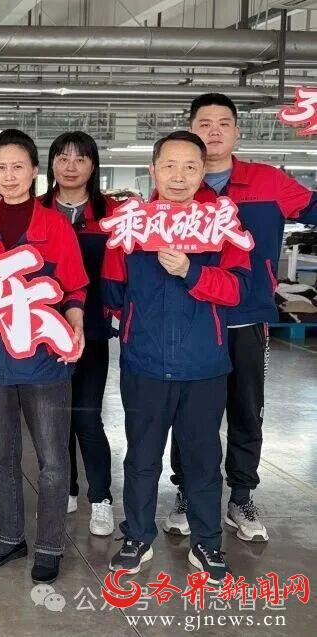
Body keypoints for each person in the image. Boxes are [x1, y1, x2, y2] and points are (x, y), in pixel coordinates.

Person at [162, 93, 317, 543]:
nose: (213, 131)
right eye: (204, 123)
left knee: (247, 410)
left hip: (247, 318)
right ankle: (187, 492)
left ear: (237, 131)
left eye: (223, 123)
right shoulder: (177, 187)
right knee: (189, 414)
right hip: (193, 318)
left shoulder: (269, 181)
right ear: (191, 128)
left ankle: (241, 496)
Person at [104, 131, 250, 584]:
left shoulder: (221, 225)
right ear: (153, 170)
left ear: (204, 171)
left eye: (190, 166)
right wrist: (137, 324)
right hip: (145, 365)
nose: (179, 176)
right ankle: (137, 537)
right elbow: (112, 291)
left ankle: (206, 543)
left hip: (204, 367)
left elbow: (237, 290)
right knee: (142, 457)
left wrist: (191, 271)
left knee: (203, 459)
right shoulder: (131, 226)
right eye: (169, 165)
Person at [0, 129, 87, 585]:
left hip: (45, 359)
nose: (8, 176)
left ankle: (50, 546)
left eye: (18, 167)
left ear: (34, 171)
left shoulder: (55, 225)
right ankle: (10, 537)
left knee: (52, 458)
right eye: (1, 168)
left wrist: (75, 322)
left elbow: (74, 286)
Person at [41, 131, 118, 537]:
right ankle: (67, 488)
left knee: (87, 415)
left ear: (93, 165)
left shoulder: (111, 214)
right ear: (51, 164)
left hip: (92, 330)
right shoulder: (36, 210)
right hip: (41, 331)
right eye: (62, 158)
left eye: (80, 159)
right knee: (56, 418)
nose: (70, 166)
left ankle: (101, 498)